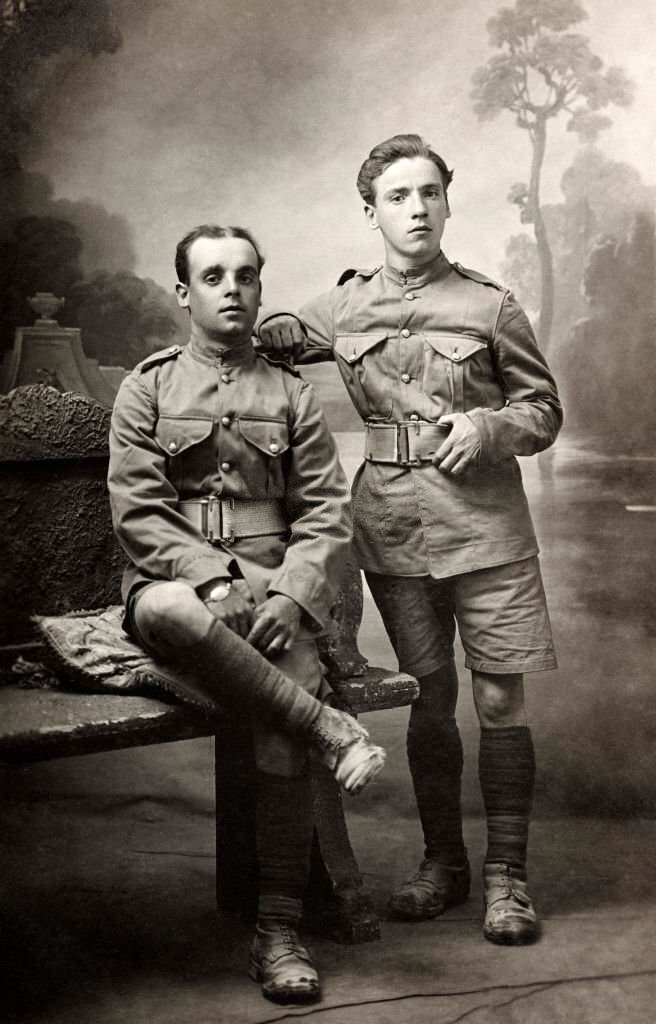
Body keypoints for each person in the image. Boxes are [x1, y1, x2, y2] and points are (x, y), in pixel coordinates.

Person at [257, 134, 563, 946]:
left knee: (498, 696)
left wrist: (489, 425)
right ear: (371, 212)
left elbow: (543, 412)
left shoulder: (491, 305)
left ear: (447, 204)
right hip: (391, 528)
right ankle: (444, 863)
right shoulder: (342, 305)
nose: (417, 208)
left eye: (429, 192)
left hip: (489, 529)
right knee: (430, 700)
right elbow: (273, 337)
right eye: (398, 196)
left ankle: (508, 879)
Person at [107, 224, 386, 1005]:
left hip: (274, 592)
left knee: (278, 700)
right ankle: (332, 729)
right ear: (185, 293)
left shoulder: (292, 394)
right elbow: (139, 514)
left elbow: (326, 513)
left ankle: (278, 930)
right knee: (162, 604)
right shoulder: (148, 387)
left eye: (247, 276)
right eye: (214, 276)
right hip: (181, 587)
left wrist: (293, 594)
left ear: (261, 288)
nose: (233, 289)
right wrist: (212, 578)